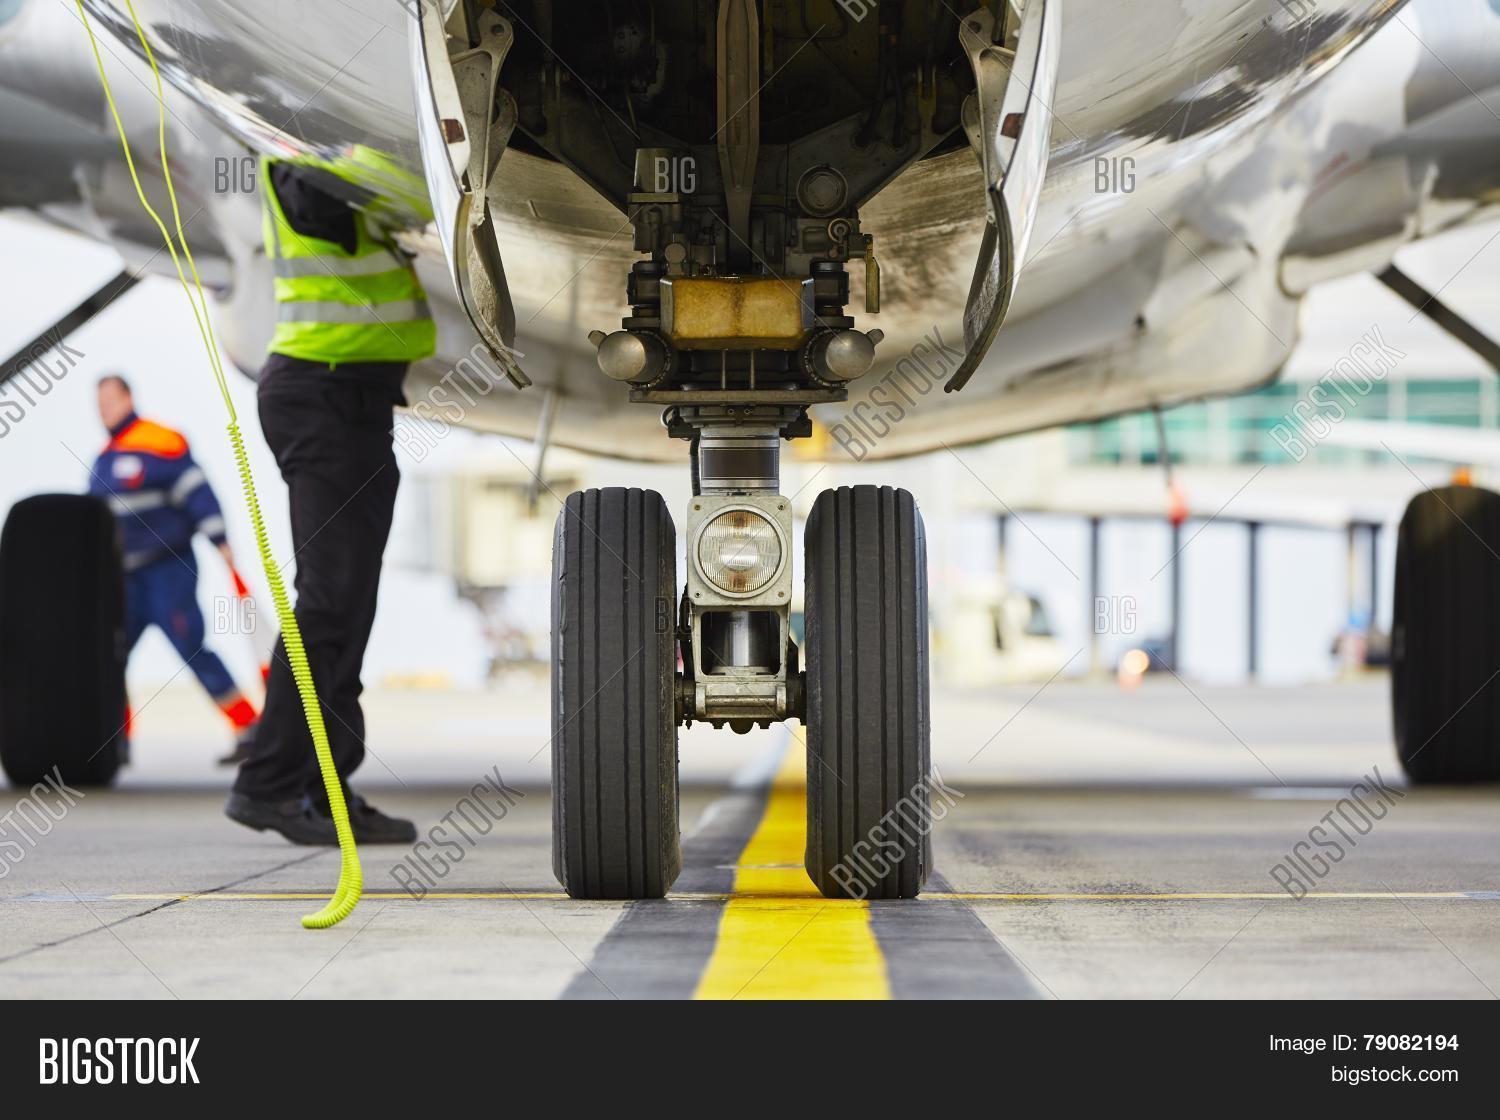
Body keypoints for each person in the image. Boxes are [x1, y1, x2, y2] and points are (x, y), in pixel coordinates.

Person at [224, 156, 434, 846]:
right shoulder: (307, 165)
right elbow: (410, 185)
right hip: (324, 396)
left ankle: (324, 790)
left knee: (346, 606)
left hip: (351, 400)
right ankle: (268, 785)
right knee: (328, 601)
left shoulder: (326, 158)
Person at [89, 375, 258, 765]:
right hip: (125, 580)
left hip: (168, 570)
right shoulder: (104, 459)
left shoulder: (160, 443)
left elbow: (197, 491)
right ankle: (115, 740)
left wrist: (220, 540)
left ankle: (250, 727)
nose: (104, 410)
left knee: (191, 646)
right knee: (111, 655)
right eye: (99, 404)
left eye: (110, 401)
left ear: (128, 398)